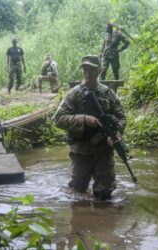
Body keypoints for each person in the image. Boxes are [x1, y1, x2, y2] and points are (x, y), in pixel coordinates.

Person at [53, 55, 126, 200]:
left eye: (91, 69)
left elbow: (121, 117)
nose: (87, 72)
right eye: (85, 68)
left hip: (104, 150)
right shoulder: (74, 94)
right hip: (81, 151)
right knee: (77, 192)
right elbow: (58, 119)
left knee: (105, 193)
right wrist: (83, 119)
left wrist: (116, 133)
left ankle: (103, 219)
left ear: (99, 70)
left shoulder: (107, 93)